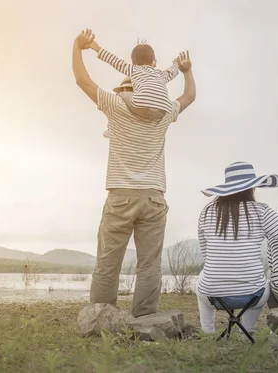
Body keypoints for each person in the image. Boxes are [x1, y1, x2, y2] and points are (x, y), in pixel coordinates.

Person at [72, 29, 196, 318]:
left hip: (120, 197)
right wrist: (187, 71)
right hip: (154, 197)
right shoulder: (165, 112)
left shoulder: (115, 106)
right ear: (153, 65)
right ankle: (146, 321)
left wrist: (78, 48)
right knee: (149, 265)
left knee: (108, 262)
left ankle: (101, 320)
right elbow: (189, 96)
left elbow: (82, 80)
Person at [196, 161, 278, 336]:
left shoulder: (206, 211)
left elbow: (206, 254)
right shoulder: (262, 211)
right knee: (263, 283)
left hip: (213, 296)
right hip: (252, 295)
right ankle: (246, 332)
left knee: (202, 282)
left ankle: (208, 333)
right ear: (251, 188)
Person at [87, 31, 181, 126]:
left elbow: (114, 61)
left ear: (133, 62)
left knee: (122, 94)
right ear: (154, 62)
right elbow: (172, 72)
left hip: (141, 105)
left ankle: (111, 125)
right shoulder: (161, 74)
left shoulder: (134, 70)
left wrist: (97, 48)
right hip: (163, 109)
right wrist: (176, 64)